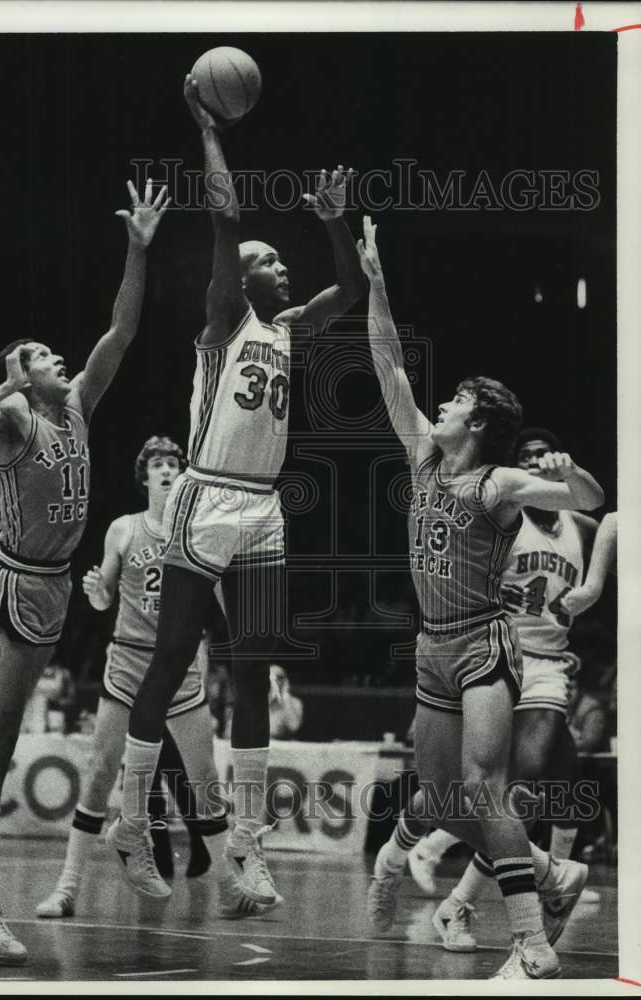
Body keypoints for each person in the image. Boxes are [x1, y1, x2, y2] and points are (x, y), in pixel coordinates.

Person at [109, 74, 364, 907]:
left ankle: (250, 843)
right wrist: (207, 130)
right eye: (270, 260)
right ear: (240, 279)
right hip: (206, 497)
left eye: (283, 260)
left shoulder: (288, 330)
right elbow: (224, 220)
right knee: (176, 654)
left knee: (254, 669)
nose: (280, 267)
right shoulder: (223, 322)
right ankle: (131, 815)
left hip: (261, 508)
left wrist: (331, 227)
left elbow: (352, 294)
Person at [0, 178, 168, 965]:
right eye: (41, 355)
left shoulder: (79, 407)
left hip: (55, 584)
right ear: (23, 373)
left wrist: (136, 248)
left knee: (8, 727)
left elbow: (120, 332)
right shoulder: (16, 414)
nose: (58, 357)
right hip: (16, 579)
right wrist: (6, 381)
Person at [357, 216, 604, 979]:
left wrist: (571, 471)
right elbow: (387, 364)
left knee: (482, 785)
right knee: (440, 799)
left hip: (484, 643)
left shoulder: (497, 481)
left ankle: (528, 933)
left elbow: (590, 497)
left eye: (458, 398)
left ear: (480, 420)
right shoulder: (424, 456)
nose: (445, 402)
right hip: (432, 645)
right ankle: (550, 871)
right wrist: (376, 285)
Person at [35, 436, 265, 919]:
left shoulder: (204, 531)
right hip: (129, 662)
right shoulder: (123, 529)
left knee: (203, 778)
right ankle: (67, 887)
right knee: (100, 772)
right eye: (157, 464)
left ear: (184, 474)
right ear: (144, 476)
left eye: (173, 463)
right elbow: (104, 600)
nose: (165, 469)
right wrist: (97, 591)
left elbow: (225, 598)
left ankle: (228, 885)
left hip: (181, 664)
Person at [407, 428, 603, 948]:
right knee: (502, 789)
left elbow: (616, 518)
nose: (537, 462)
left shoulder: (575, 522)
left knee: (539, 789)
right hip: (494, 655)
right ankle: (453, 868)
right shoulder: (505, 514)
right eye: (527, 457)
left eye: (544, 454)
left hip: (549, 665)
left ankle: (462, 895)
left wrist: (593, 586)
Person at [268, 664, 304, 739]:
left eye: (278, 678)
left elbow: (294, 727)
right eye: (270, 677)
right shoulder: (257, 702)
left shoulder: (295, 702)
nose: (273, 681)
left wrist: (285, 696)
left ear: (285, 681)